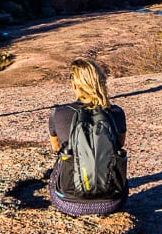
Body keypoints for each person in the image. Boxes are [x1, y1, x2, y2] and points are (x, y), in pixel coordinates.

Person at [48, 58, 128, 216]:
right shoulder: (117, 113)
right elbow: (119, 143)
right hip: (113, 202)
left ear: (75, 85)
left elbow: (56, 148)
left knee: (60, 162)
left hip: (69, 204)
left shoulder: (59, 113)